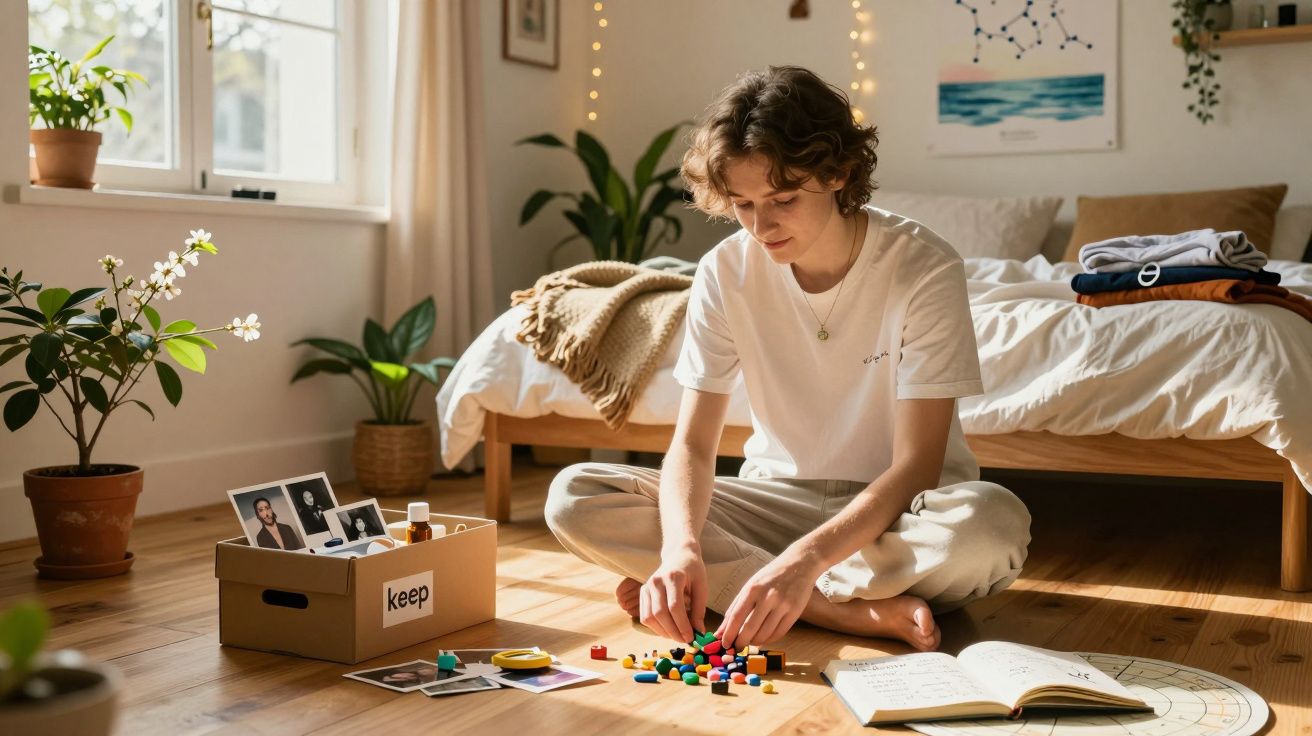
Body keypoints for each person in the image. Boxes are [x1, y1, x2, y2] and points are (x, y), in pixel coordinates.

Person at [544, 66, 1031, 653]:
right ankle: (842, 610)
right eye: (743, 204)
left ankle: (747, 586)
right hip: (777, 499)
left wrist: (800, 562)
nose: (762, 225)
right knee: (575, 494)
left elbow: (917, 468)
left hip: (901, 512)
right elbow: (694, 446)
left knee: (992, 525)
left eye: (784, 199)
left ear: (839, 173)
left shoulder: (925, 268)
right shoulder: (724, 272)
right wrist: (681, 550)